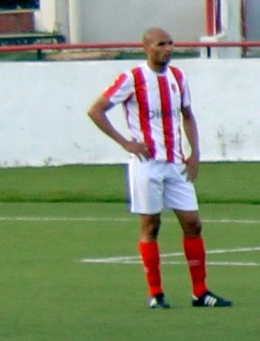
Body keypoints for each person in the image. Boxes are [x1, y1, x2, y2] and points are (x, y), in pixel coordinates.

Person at [87, 27, 232, 310]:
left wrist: (195, 153)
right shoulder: (132, 78)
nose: (167, 49)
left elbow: (187, 115)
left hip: (176, 164)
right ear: (146, 48)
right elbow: (96, 110)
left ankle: (200, 292)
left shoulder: (178, 77)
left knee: (193, 223)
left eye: (170, 44)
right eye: (161, 44)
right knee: (151, 225)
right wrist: (125, 143)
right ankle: (156, 293)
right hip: (147, 165)